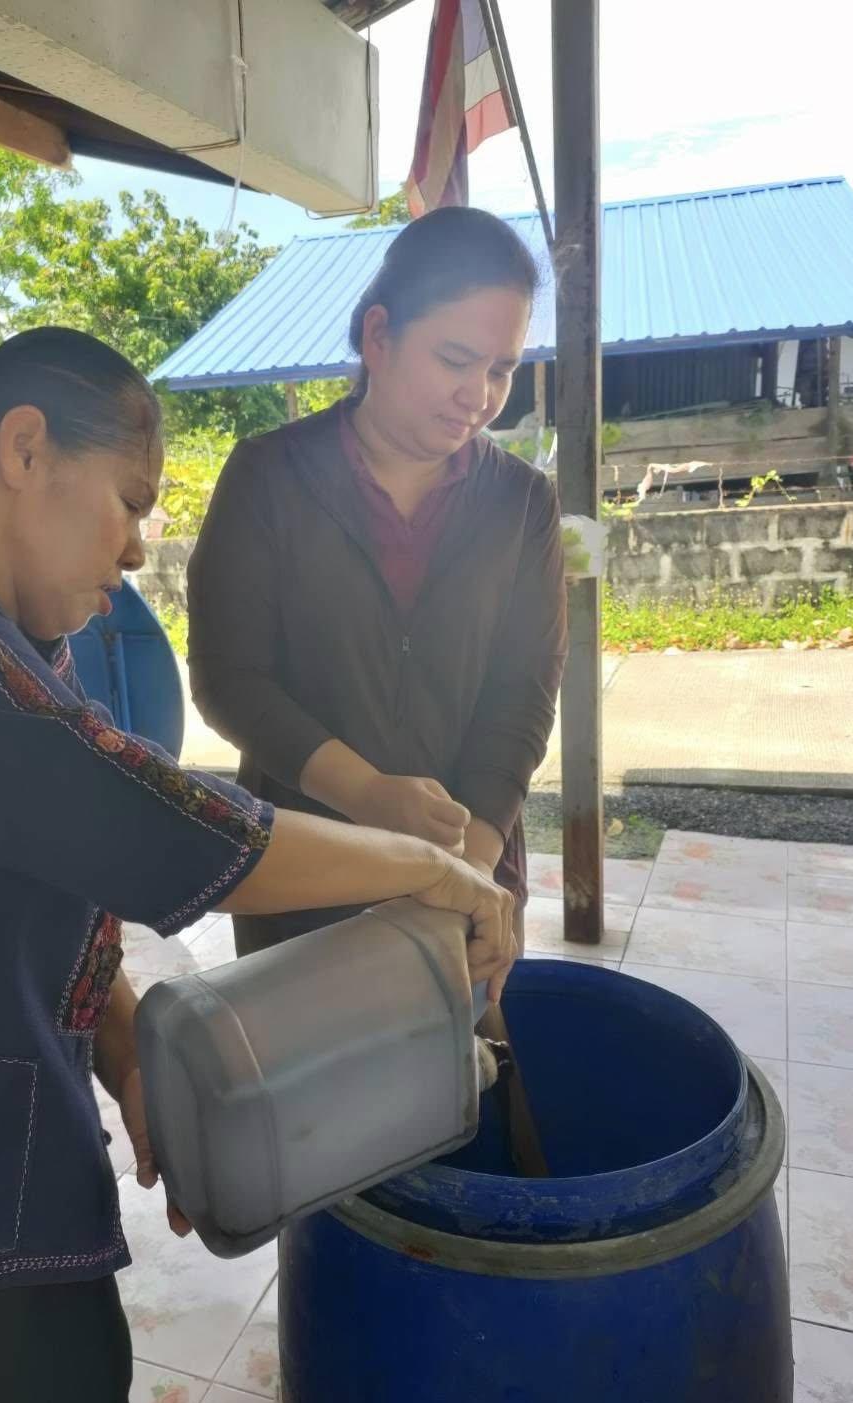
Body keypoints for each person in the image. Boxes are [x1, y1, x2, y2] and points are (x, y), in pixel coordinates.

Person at [0, 302, 515, 1403]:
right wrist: (432, 868)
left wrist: (122, 1046)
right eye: (130, 499)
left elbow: (50, 880)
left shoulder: (4, 641)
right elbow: (152, 822)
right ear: (25, 451)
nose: (133, 549)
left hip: (16, 1175)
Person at [188, 206, 568, 961]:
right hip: (306, 871)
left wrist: (471, 866)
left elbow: (523, 691)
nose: (481, 395)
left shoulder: (522, 502)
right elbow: (230, 678)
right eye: (456, 359)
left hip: (471, 861)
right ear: (378, 336)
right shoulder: (270, 476)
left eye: (501, 369)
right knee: (310, 1066)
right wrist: (365, 792)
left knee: (461, 1068)